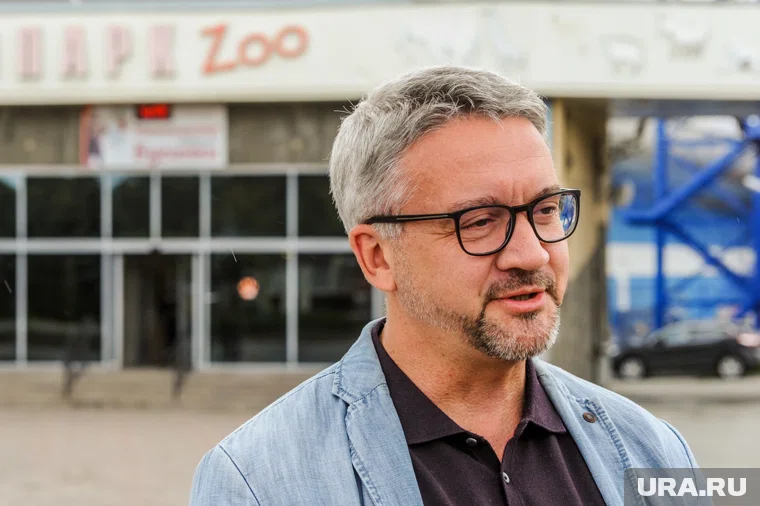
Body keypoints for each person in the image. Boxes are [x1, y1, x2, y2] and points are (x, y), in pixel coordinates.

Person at [190, 66, 698, 506]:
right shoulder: (259, 483)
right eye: (480, 221)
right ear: (377, 256)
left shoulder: (653, 450)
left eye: (545, 210)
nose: (532, 254)